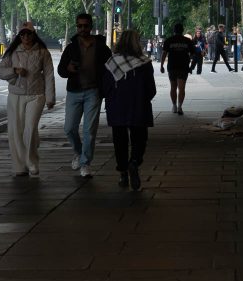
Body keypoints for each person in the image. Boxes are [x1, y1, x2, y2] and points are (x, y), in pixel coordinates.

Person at [0, 21, 56, 177]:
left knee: (30, 128)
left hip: (36, 95)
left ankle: (32, 162)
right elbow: (0, 71)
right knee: (15, 130)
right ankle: (19, 166)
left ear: (33, 34)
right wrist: (14, 70)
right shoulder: (12, 52)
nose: (26, 37)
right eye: (22, 34)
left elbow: (49, 75)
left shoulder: (43, 52)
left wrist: (50, 98)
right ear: (19, 36)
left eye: (28, 34)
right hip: (15, 95)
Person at [57, 13, 112, 178]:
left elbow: (111, 69)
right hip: (74, 92)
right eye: (79, 26)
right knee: (69, 128)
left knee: (89, 130)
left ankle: (85, 163)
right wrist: (68, 69)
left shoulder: (101, 48)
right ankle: (78, 152)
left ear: (91, 27)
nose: (82, 29)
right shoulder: (71, 47)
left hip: (93, 92)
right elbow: (61, 70)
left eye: (85, 26)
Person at [103, 30, 156, 191]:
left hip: (117, 106)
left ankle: (123, 173)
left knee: (119, 141)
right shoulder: (144, 62)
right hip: (138, 106)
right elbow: (151, 89)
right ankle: (134, 162)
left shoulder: (112, 62)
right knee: (140, 138)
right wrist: (143, 99)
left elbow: (105, 87)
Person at [160, 22, 192, 115]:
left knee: (173, 87)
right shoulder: (187, 41)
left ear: (174, 31)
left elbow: (164, 54)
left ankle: (174, 106)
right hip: (183, 66)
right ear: (182, 30)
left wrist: (162, 65)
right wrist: (191, 65)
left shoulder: (169, 40)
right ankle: (180, 107)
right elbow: (193, 53)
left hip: (172, 66)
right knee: (181, 88)